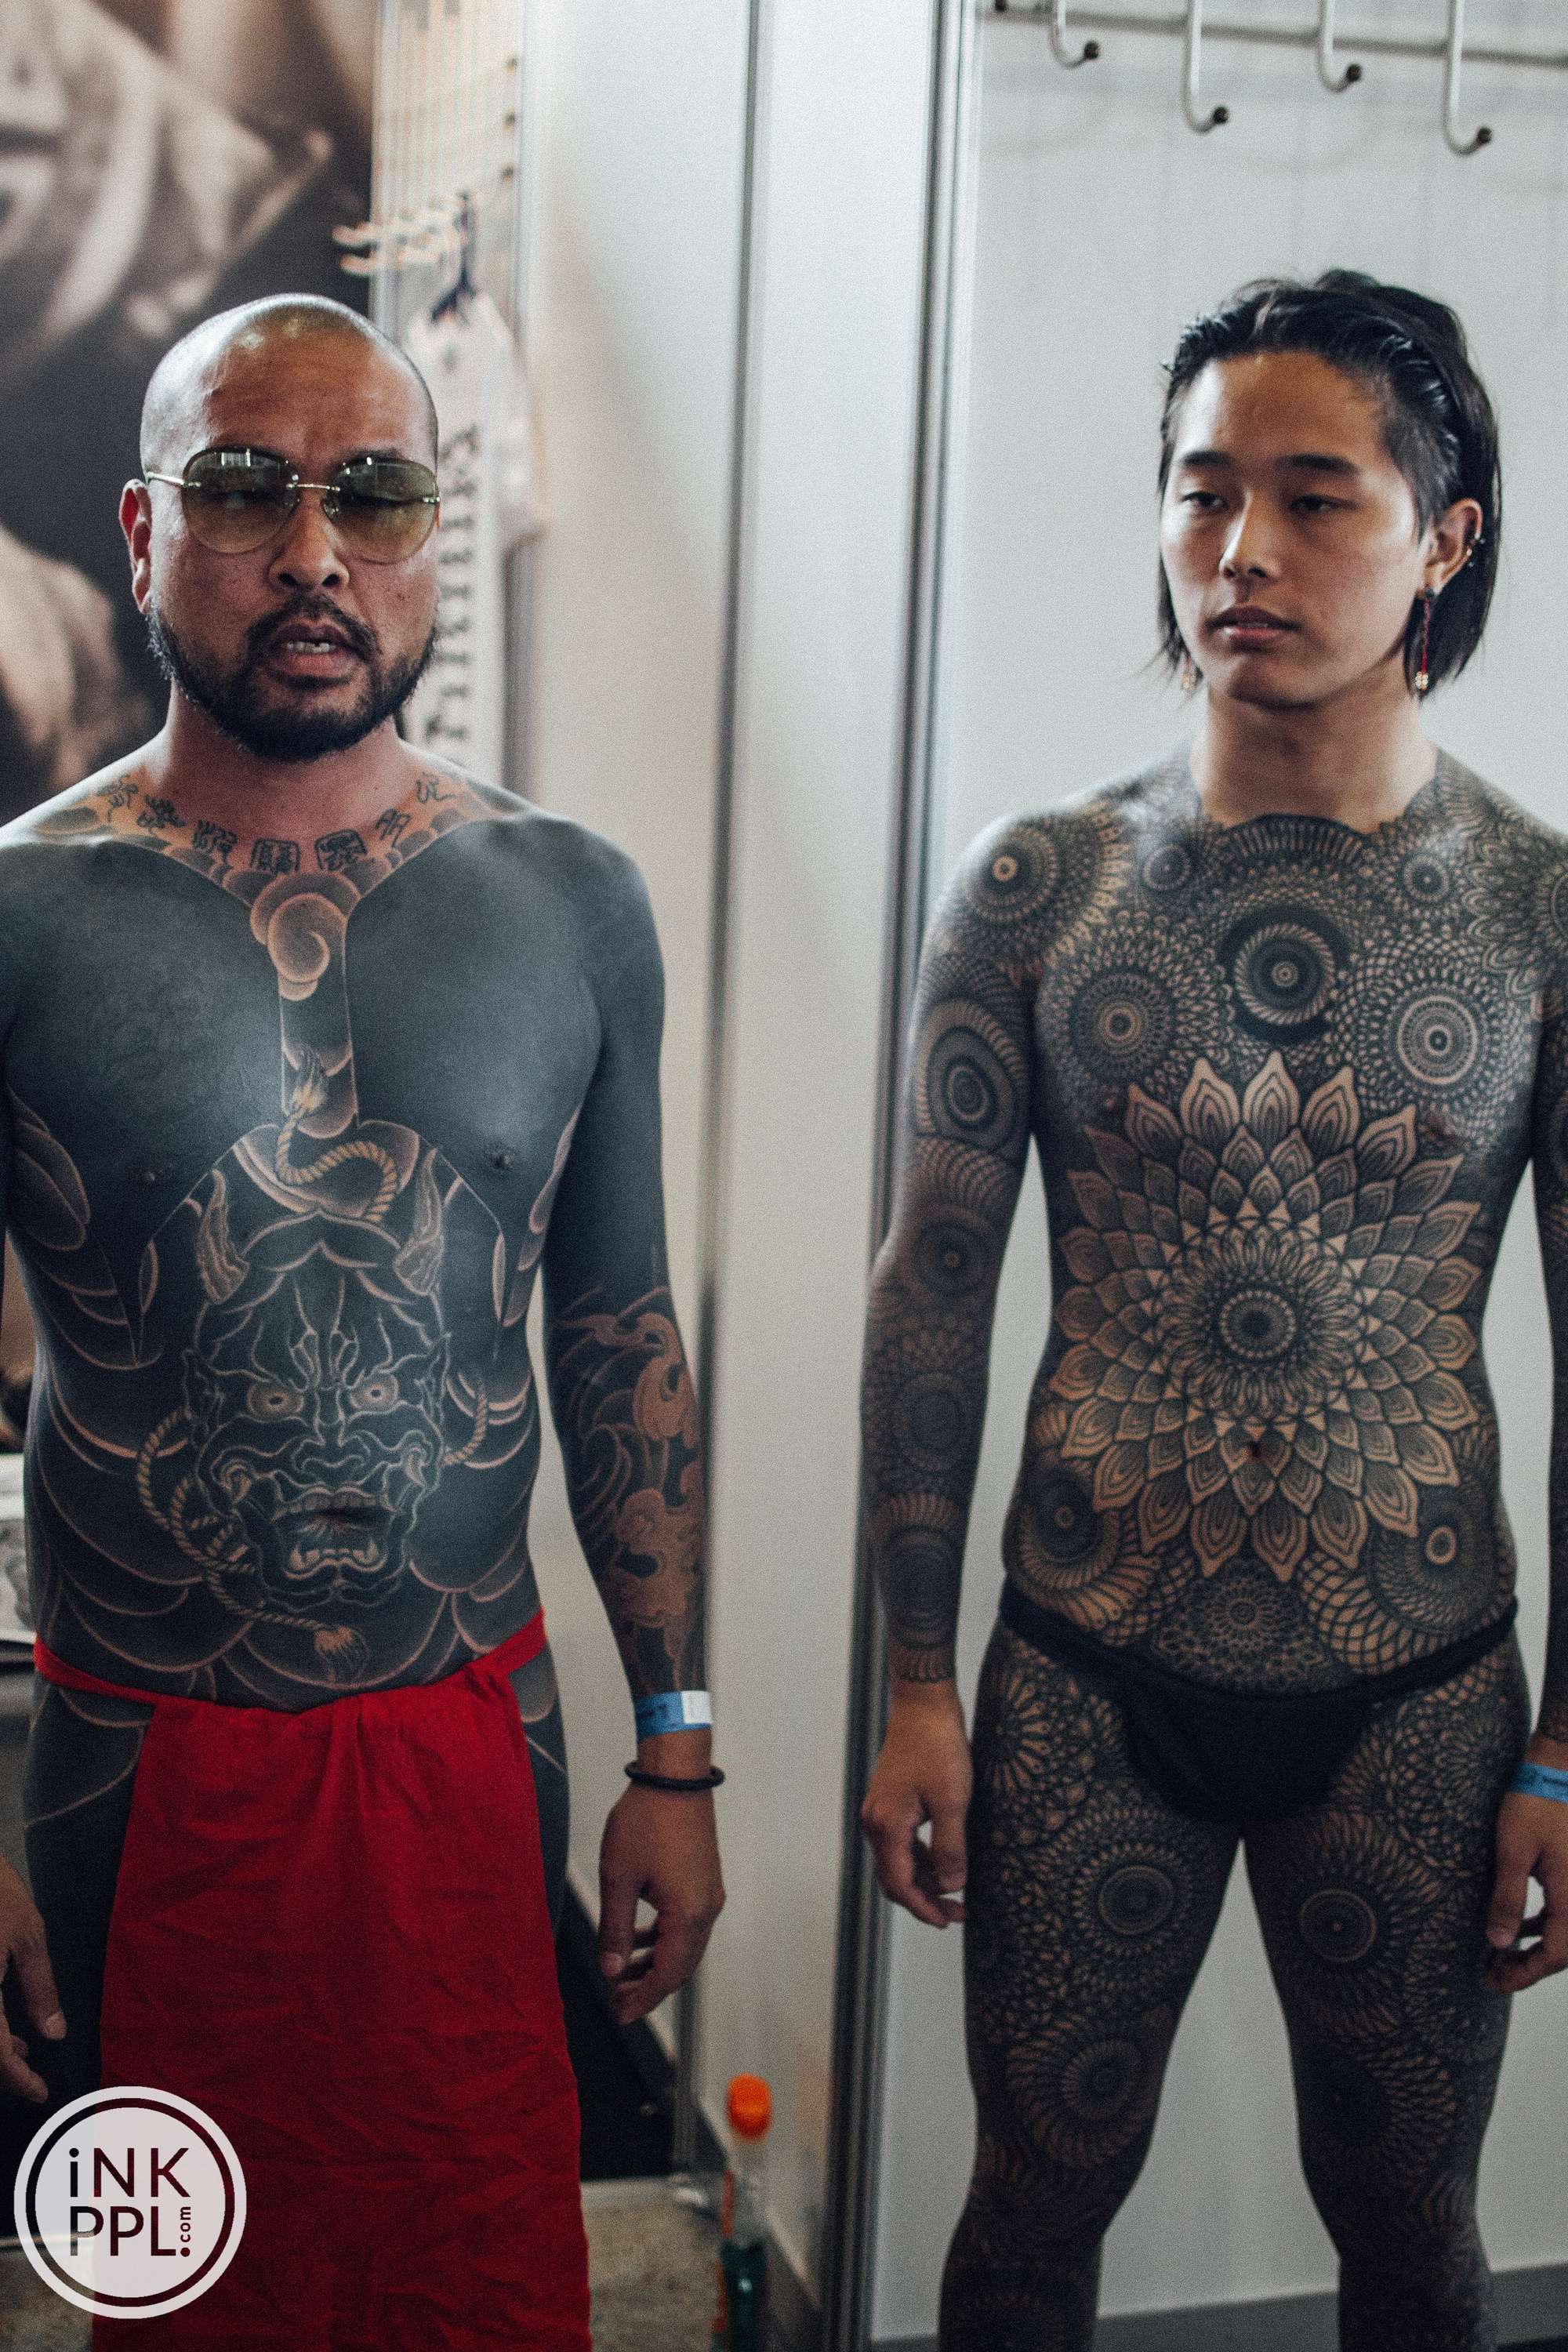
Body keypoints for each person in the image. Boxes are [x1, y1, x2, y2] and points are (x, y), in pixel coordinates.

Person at [0, 292, 724, 2348]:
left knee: (472, 2270)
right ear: (144, 531)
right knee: (176, 2287)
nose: (315, 552)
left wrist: (679, 1752)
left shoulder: (573, 903)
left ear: (429, 535)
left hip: (473, 1735)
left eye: (375, 495)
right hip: (137, 1757)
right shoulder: (23, 914)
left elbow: (622, 1336)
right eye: (245, 490)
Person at [859, 270, 1568, 2352]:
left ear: (1444, 538)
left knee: (1410, 2223)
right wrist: (916, 1687)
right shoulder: (1040, 889)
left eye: (1314, 498)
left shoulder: (1540, 919)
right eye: (1201, 492)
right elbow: (932, 1289)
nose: (1240, 549)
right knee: (1030, 2206)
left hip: (1420, 1687)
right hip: (1084, 1673)